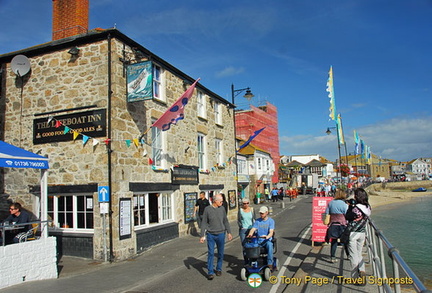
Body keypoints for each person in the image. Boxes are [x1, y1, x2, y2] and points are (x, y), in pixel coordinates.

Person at [199, 194, 233, 280]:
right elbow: (204, 223)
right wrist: (202, 235)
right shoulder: (207, 209)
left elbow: (225, 221)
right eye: (220, 201)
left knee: (220, 253)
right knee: (210, 253)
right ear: (215, 201)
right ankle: (210, 272)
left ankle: (218, 269)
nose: (222, 202)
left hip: (221, 234)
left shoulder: (222, 209)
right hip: (211, 234)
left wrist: (229, 232)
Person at [345, 188, 371, 280]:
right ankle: (362, 270)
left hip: (353, 233)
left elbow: (348, 216)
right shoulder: (368, 207)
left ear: (357, 196)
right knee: (359, 253)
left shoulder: (356, 208)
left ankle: (355, 277)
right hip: (362, 233)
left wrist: (350, 206)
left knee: (353, 255)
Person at [324, 190, 348, 263]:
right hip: (342, 224)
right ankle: (349, 255)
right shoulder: (344, 204)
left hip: (333, 224)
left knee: (334, 241)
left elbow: (327, 213)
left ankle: (332, 257)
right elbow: (347, 214)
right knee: (345, 241)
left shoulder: (331, 203)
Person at [237, 197, 256, 263]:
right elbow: (239, 220)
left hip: (251, 229)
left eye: (247, 203)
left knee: (252, 245)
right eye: (244, 203)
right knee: (244, 245)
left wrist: (254, 228)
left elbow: (254, 219)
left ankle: (252, 259)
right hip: (243, 230)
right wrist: (241, 226)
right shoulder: (240, 210)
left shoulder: (252, 210)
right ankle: (246, 261)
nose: (245, 205)